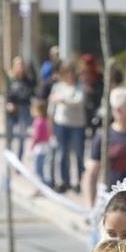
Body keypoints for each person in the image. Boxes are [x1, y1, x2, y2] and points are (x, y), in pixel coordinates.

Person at [47, 61, 89, 193]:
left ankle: (79, 181)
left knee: (78, 154)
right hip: (61, 124)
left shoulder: (79, 87)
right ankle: (65, 181)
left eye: (72, 72)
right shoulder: (57, 87)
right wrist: (50, 124)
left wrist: (62, 100)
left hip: (77, 125)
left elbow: (79, 101)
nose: (70, 75)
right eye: (67, 72)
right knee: (63, 153)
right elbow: (51, 106)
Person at [4, 55, 35, 158]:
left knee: (22, 136)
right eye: (18, 65)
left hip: (23, 109)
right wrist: (8, 104)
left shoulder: (28, 80)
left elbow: (31, 93)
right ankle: (8, 159)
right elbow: (6, 94)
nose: (20, 67)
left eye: (21, 65)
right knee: (10, 136)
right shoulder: (10, 79)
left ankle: (19, 159)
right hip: (11, 110)